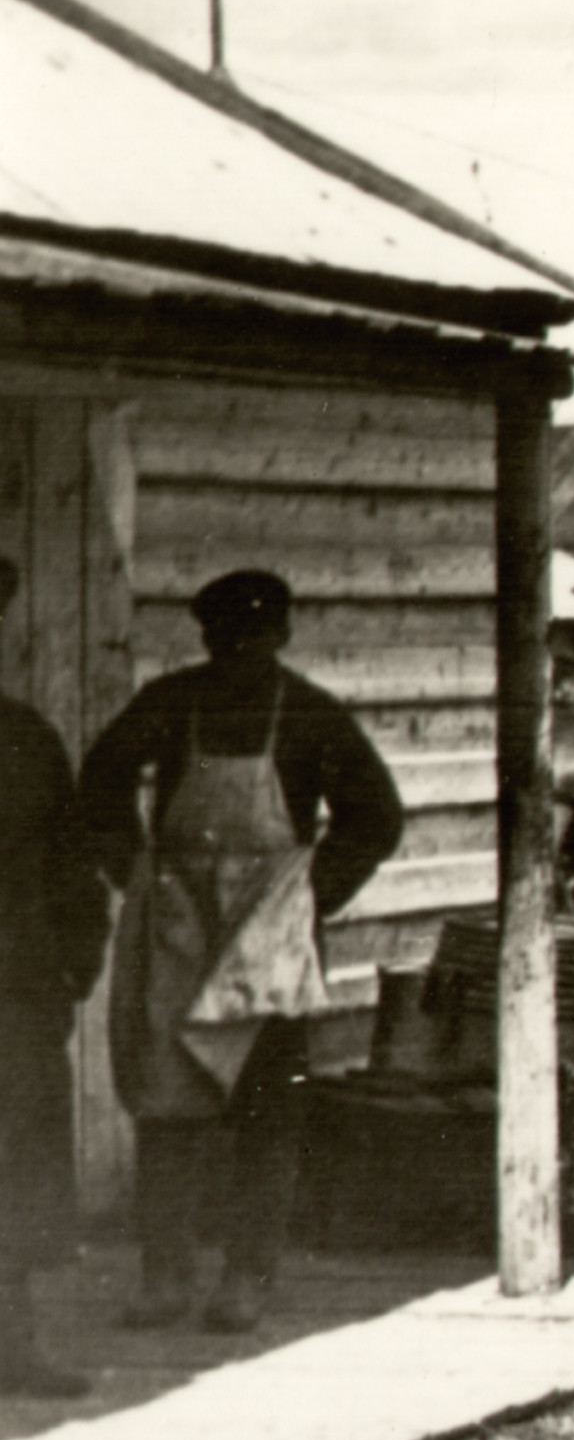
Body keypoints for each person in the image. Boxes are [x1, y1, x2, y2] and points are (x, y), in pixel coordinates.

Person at [78, 570, 403, 1333]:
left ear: (280, 637)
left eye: (255, 638)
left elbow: (375, 816)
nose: (241, 653)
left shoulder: (313, 718)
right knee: (167, 1106)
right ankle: (164, 1279)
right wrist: (133, 868)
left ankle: (246, 1281)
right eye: (229, 639)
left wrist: (310, 895)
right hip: (182, 929)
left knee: (267, 1112)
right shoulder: (169, 705)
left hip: (270, 944)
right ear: (207, 639)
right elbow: (101, 782)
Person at [0, 562, 109, 1396]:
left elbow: (73, 865)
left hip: (16, 991)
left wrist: (78, 959)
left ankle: (11, 1340)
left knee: (19, 1165)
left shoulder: (28, 741)